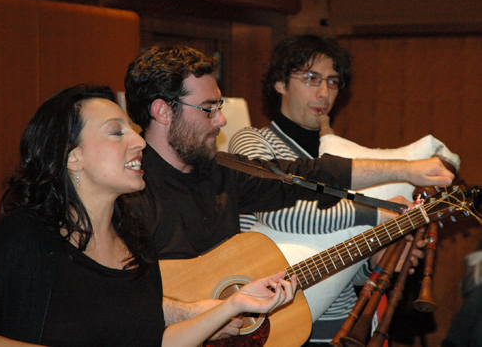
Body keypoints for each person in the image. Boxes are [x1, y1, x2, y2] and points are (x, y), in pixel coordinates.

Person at [123, 45, 454, 341]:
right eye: (208, 108)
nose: (222, 120)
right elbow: (113, 296)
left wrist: (405, 169)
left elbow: (307, 176)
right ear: (162, 111)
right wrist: (203, 314)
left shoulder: (220, 172)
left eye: (219, 106)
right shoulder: (125, 195)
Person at [0, 84, 298, 347]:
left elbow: (155, 340)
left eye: (133, 130)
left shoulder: (134, 238)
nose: (139, 141)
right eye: (117, 133)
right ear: (73, 158)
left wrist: (234, 304)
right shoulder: (25, 237)